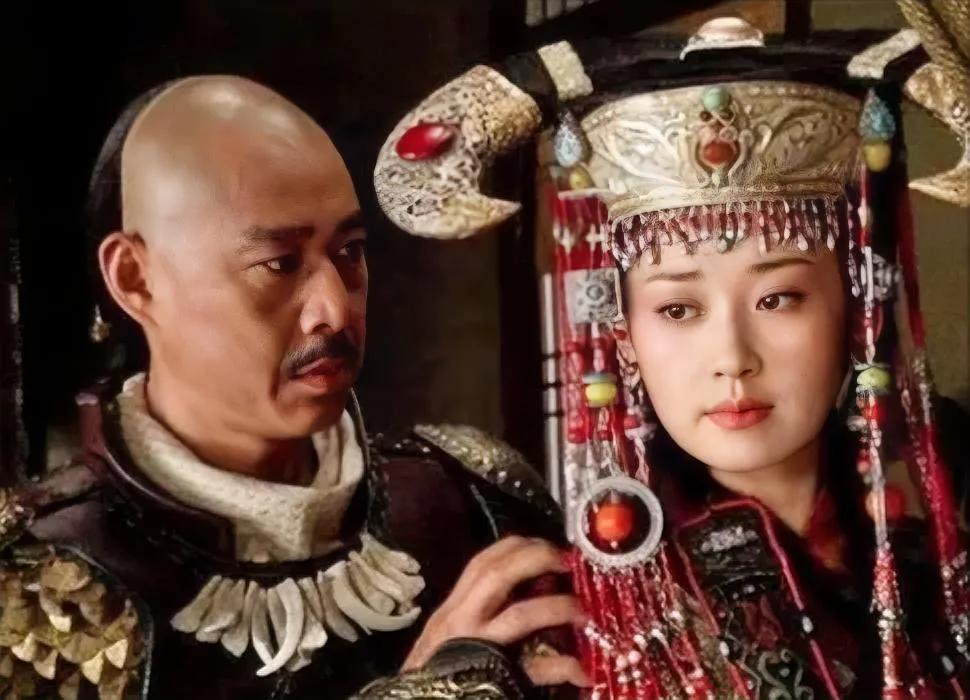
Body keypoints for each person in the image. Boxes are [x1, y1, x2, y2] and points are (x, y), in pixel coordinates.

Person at [373, 13, 970, 698]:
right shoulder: (560, 615)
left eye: (778, 299)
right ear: (624, 335)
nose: (731, 358)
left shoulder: (940, 559)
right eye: (678, 310)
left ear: (855, 308)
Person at [0, 75, 588, 699]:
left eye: (350, 252)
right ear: (136, 280)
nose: (334, 309)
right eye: (278, 265)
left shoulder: (475, 500)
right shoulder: (37, 580)